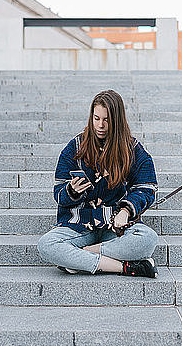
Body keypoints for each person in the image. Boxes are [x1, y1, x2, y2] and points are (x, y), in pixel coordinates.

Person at [37, 90, 159, 278]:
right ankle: (126, 268)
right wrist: (71, 191)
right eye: (96, 118)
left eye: (107, 120)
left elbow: (147, 188)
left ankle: (84, 255)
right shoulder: (75, 147)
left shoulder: (133, 150)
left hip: (115, 226)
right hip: (79, 224)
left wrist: (126, 211)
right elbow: (58, 193)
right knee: (46, 245)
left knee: (148, 239)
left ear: (117, 120)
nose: (100, 125)